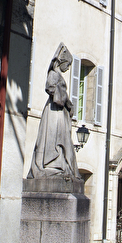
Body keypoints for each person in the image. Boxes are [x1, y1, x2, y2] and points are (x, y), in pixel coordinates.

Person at [28, 43, 81, 180]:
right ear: (62, 62)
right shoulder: (53, 74)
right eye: (67, 65)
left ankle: (62, 164)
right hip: (54, 111)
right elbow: (50, 88)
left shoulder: (58, 75)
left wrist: (68, 104)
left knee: (62, 137)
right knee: (54, 137)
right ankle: (52, 165)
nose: (68, 68)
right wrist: (67, 102)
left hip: (59, 112)